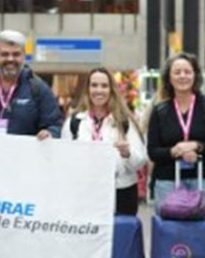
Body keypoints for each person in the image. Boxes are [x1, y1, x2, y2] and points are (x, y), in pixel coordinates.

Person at [146, 52, 205, 213]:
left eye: (187, 72)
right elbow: (152, 151)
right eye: (177, 72)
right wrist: (174, 151)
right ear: (169, 78)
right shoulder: (160, 111)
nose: (182, 76)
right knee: (173, 233)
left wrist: (198, 146)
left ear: (195, 75)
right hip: (169, 181)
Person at [63, 67, 148, 216]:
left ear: (111, 90)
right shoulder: (74, 122)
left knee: (120, 237)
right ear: (87, 89)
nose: (99, 90)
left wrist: (127, 153)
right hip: (85, 193)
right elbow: (64, 160)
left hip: (121, 191)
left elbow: (141, 161)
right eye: (94, 85)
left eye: (104, 86)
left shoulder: (124, 121)